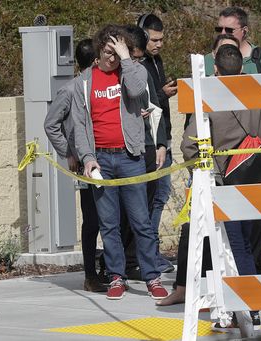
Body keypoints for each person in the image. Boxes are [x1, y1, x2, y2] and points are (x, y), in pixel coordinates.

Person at [159, 45, 261, 331]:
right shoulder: (260, 94)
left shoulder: (210, 98)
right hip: (259, 180)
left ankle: (247, 308)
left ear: (215, 69)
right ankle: (244, 307)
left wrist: (206, 173)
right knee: (249, 246)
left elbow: (189, 145)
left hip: (226, 180)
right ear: (242, 67)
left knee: (234, 246)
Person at [71, 24, 168, 300]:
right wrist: (87, 158)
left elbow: (139, 91)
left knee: (141, 220)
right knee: (108, 223)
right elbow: (80, 124)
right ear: (98, 51)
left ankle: (152, 277)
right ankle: (116, 276)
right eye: (108, 52)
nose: (111, 58)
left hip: (130, 156)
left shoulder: (130, 72)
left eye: (117, 52)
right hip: (101, 158)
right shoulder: (84, 81)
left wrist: (126, 58)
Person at [203, 7, 261, 275]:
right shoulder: (204, 61)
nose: (223, 34)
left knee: (244, 238)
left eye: (229, 30)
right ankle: (250, 296)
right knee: (236, 238)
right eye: (219, 30)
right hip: (248, 165)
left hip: (238, 168)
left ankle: (248, 297)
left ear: (244, 31)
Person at [44, 39, 106, 292]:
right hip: (87, 166)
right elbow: (51, 124)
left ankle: (113, 270)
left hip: (112, 160)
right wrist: (68, 152)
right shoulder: (70, 90)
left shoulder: (107, 87)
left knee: (113, 220)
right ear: (94, 62)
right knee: (92, 221)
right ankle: (90, 275)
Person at [117, 24, 168, 281]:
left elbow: (157, 108)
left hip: (147, 146)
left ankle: (138, 260)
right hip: (121, 150)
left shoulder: (145, 70)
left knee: (145, 210)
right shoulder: (110, 75)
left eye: (139, 58)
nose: (137, 62)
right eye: (133, 57)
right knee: (123, 213)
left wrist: (161, 144)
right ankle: (122, 263)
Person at [137, 13, 176, 273]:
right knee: (154, 197)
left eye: (161, 39)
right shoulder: (139, 65)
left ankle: (150, 252)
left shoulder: (156, 61)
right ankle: (147, 254)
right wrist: (162, 94)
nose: (158, 44)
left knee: (160, 196)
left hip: (163, 139)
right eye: (154, 39)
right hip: (150, 143)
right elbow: (147, 104)